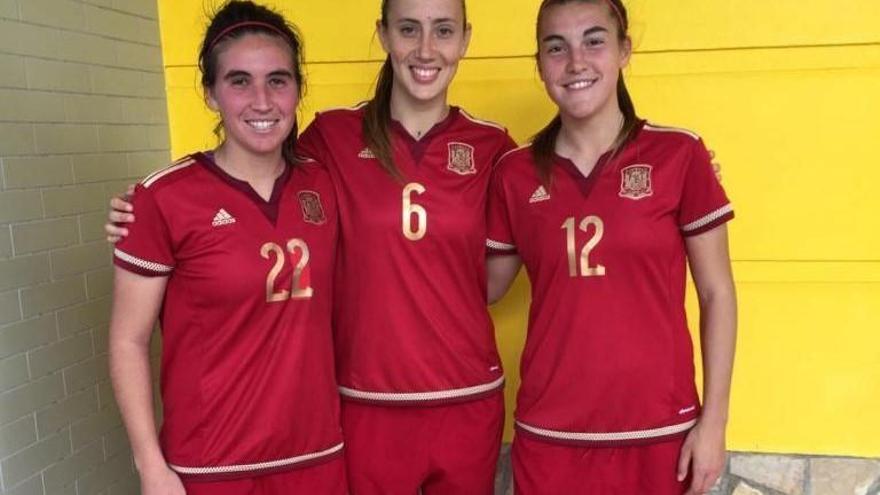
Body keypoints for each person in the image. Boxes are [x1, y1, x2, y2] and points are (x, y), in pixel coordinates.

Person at [109, 0, 515, 493]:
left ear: (465, 39)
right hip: (349, 408)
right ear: (383, 34)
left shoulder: (495, 148)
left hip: (427, 408)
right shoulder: (332, 139)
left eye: (443, 30)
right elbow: (236, 177)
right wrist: (143, 209)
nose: (425, 48)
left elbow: (498, 275)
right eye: (409, 29)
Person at [485, 0, 737, 494]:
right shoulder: (514, 173)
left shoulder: (679, 154)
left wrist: (714, 423)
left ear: (624, 50)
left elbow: (717, 294)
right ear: (539, 64)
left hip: (660, 431)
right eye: (556, 47)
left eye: (594, 41)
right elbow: (484, 287)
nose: (576, 61)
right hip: (550, 432)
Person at [108, 2, 346, 494]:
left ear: (298, 89)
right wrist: (151, 467)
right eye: (239, 81)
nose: (262, 101)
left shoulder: (324, 183)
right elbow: (128, 341)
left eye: (278, 80)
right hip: (212, 465)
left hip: (316, 455)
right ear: (210, 93)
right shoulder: (165, 197)